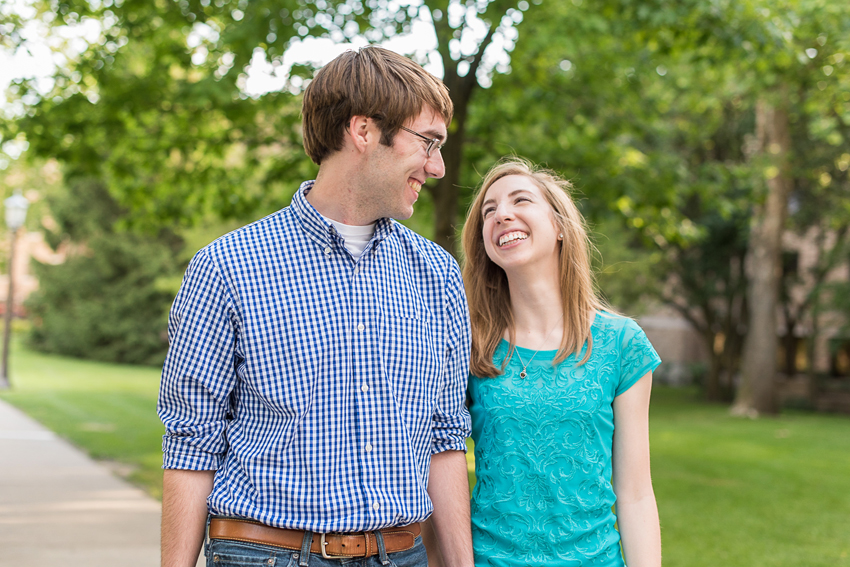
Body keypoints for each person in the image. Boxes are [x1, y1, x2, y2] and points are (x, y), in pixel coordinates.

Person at [157, 46, 474, 567]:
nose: (437, 167)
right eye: (428, 142)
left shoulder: (437, 273)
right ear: (364, 131)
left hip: (400, 555)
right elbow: (192, 443)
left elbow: (444, 439)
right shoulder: (226, 266)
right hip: (264, 554)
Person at [460, 158, 662, 567]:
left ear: (560, 227)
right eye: (489, 210)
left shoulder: (621, 344)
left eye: (521, 200)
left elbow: (636, 493)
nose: (502, 214)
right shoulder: (467, 343)